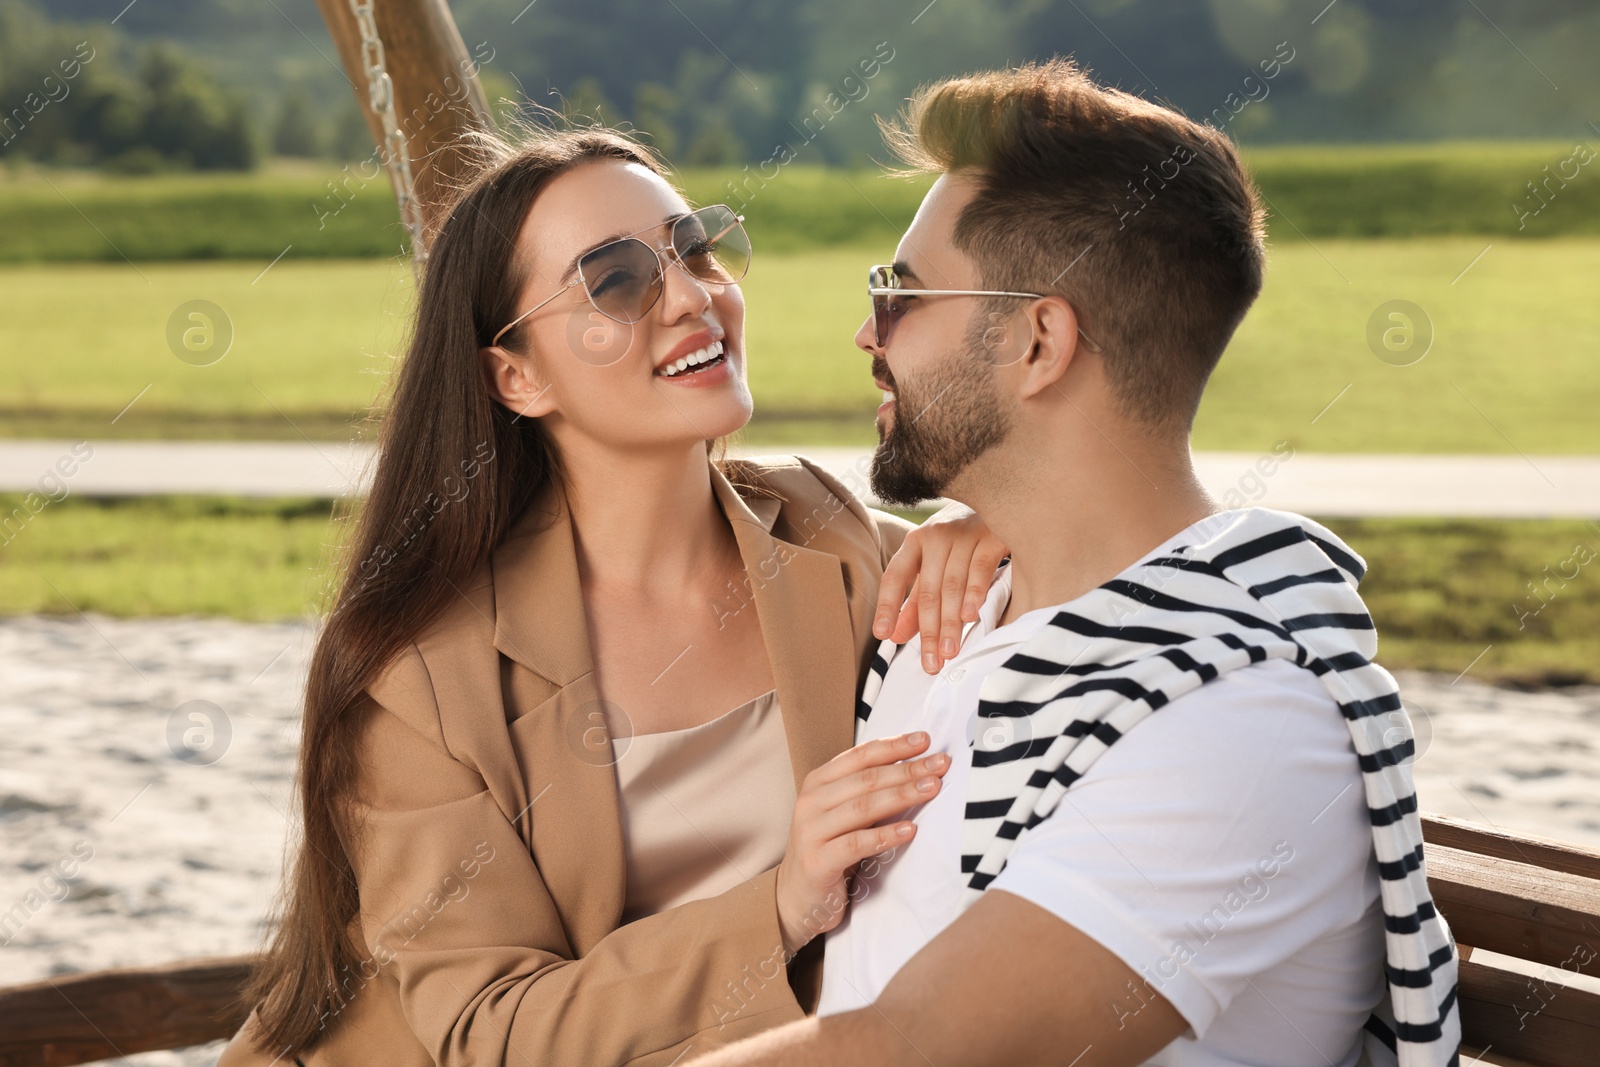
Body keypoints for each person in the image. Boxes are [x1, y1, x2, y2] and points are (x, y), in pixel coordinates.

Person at [691, 60, 1460, 1067]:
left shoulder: (1239, 719)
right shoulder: (962, 614)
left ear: (1039, 341)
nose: (864, 333)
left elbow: (909, 1047)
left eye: (899, 294)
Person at [219, 124, 1007, 1067]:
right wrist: (783, 902)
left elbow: (1065, 578)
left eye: (696, 251)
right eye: (617, 280)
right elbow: (491, 1032)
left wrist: (992, 522)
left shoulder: (826, 538)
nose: (692, 298)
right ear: (515, 376)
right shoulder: (419, 675)